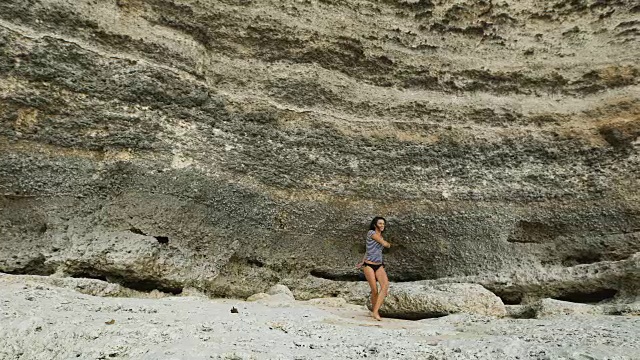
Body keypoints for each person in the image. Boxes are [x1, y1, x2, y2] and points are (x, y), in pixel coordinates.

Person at [356, 216, 391, 321]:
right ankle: (375, 312)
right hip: (369, 265)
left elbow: (368, 249)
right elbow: (385, 244)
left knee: (385, 286)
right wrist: (387, 243)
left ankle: (375, 312)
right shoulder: (371, 233)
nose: (382, 226)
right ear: (375, 224)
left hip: (379, 264)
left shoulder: (380, 236)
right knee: (374, 290)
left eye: (383, 224)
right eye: (380, 224)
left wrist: (362, 259)